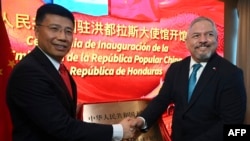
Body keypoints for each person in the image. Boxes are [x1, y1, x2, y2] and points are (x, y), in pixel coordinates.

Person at [6, 3, 135, 141]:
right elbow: (62, 127)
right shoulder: (28, 72)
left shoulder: (57, 68)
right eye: (54, 29)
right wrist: (119, 130)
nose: (62, 37)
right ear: (36, 31)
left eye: (68, 31)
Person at [131, 16, 247, 141]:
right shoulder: (176, 69)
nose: (203, 40)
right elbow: (162, 100)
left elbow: (232, 121)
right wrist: (142, 120)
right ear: (186, 42)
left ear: (217, 40)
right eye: (196, 36)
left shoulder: (231, 73)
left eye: (209, 34)